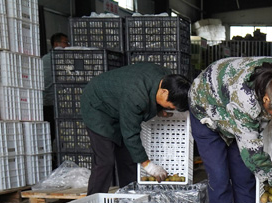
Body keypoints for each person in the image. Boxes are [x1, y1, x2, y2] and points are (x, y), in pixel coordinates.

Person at [189, 57, 272, 203]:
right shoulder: (245, 101)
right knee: (219, 177)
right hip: (206, 106)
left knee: (244, 175)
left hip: (233, 106)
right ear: (266, 100)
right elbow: (253, 155)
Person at [80, 63, 190, 194]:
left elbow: (151, 98)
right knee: (105, 160)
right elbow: (130, 133)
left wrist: (159, 109)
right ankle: (93, 199)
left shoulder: (169, 80)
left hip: (121, 102)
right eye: (170, 106)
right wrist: (148, 165)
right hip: (97, 105)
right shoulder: (136, 95)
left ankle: (129, 196)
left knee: (129, 157)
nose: (171, 109)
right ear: (164, 92)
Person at [42, 33, 69, 164]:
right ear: (56, 44)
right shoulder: (62, 59)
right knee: (60, 134)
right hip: (56, 104)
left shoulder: (43, 60)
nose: (67, 46)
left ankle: (51, 161)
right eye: (65, 43)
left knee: (50, 134)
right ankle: (58, 160)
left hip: (45, 103)